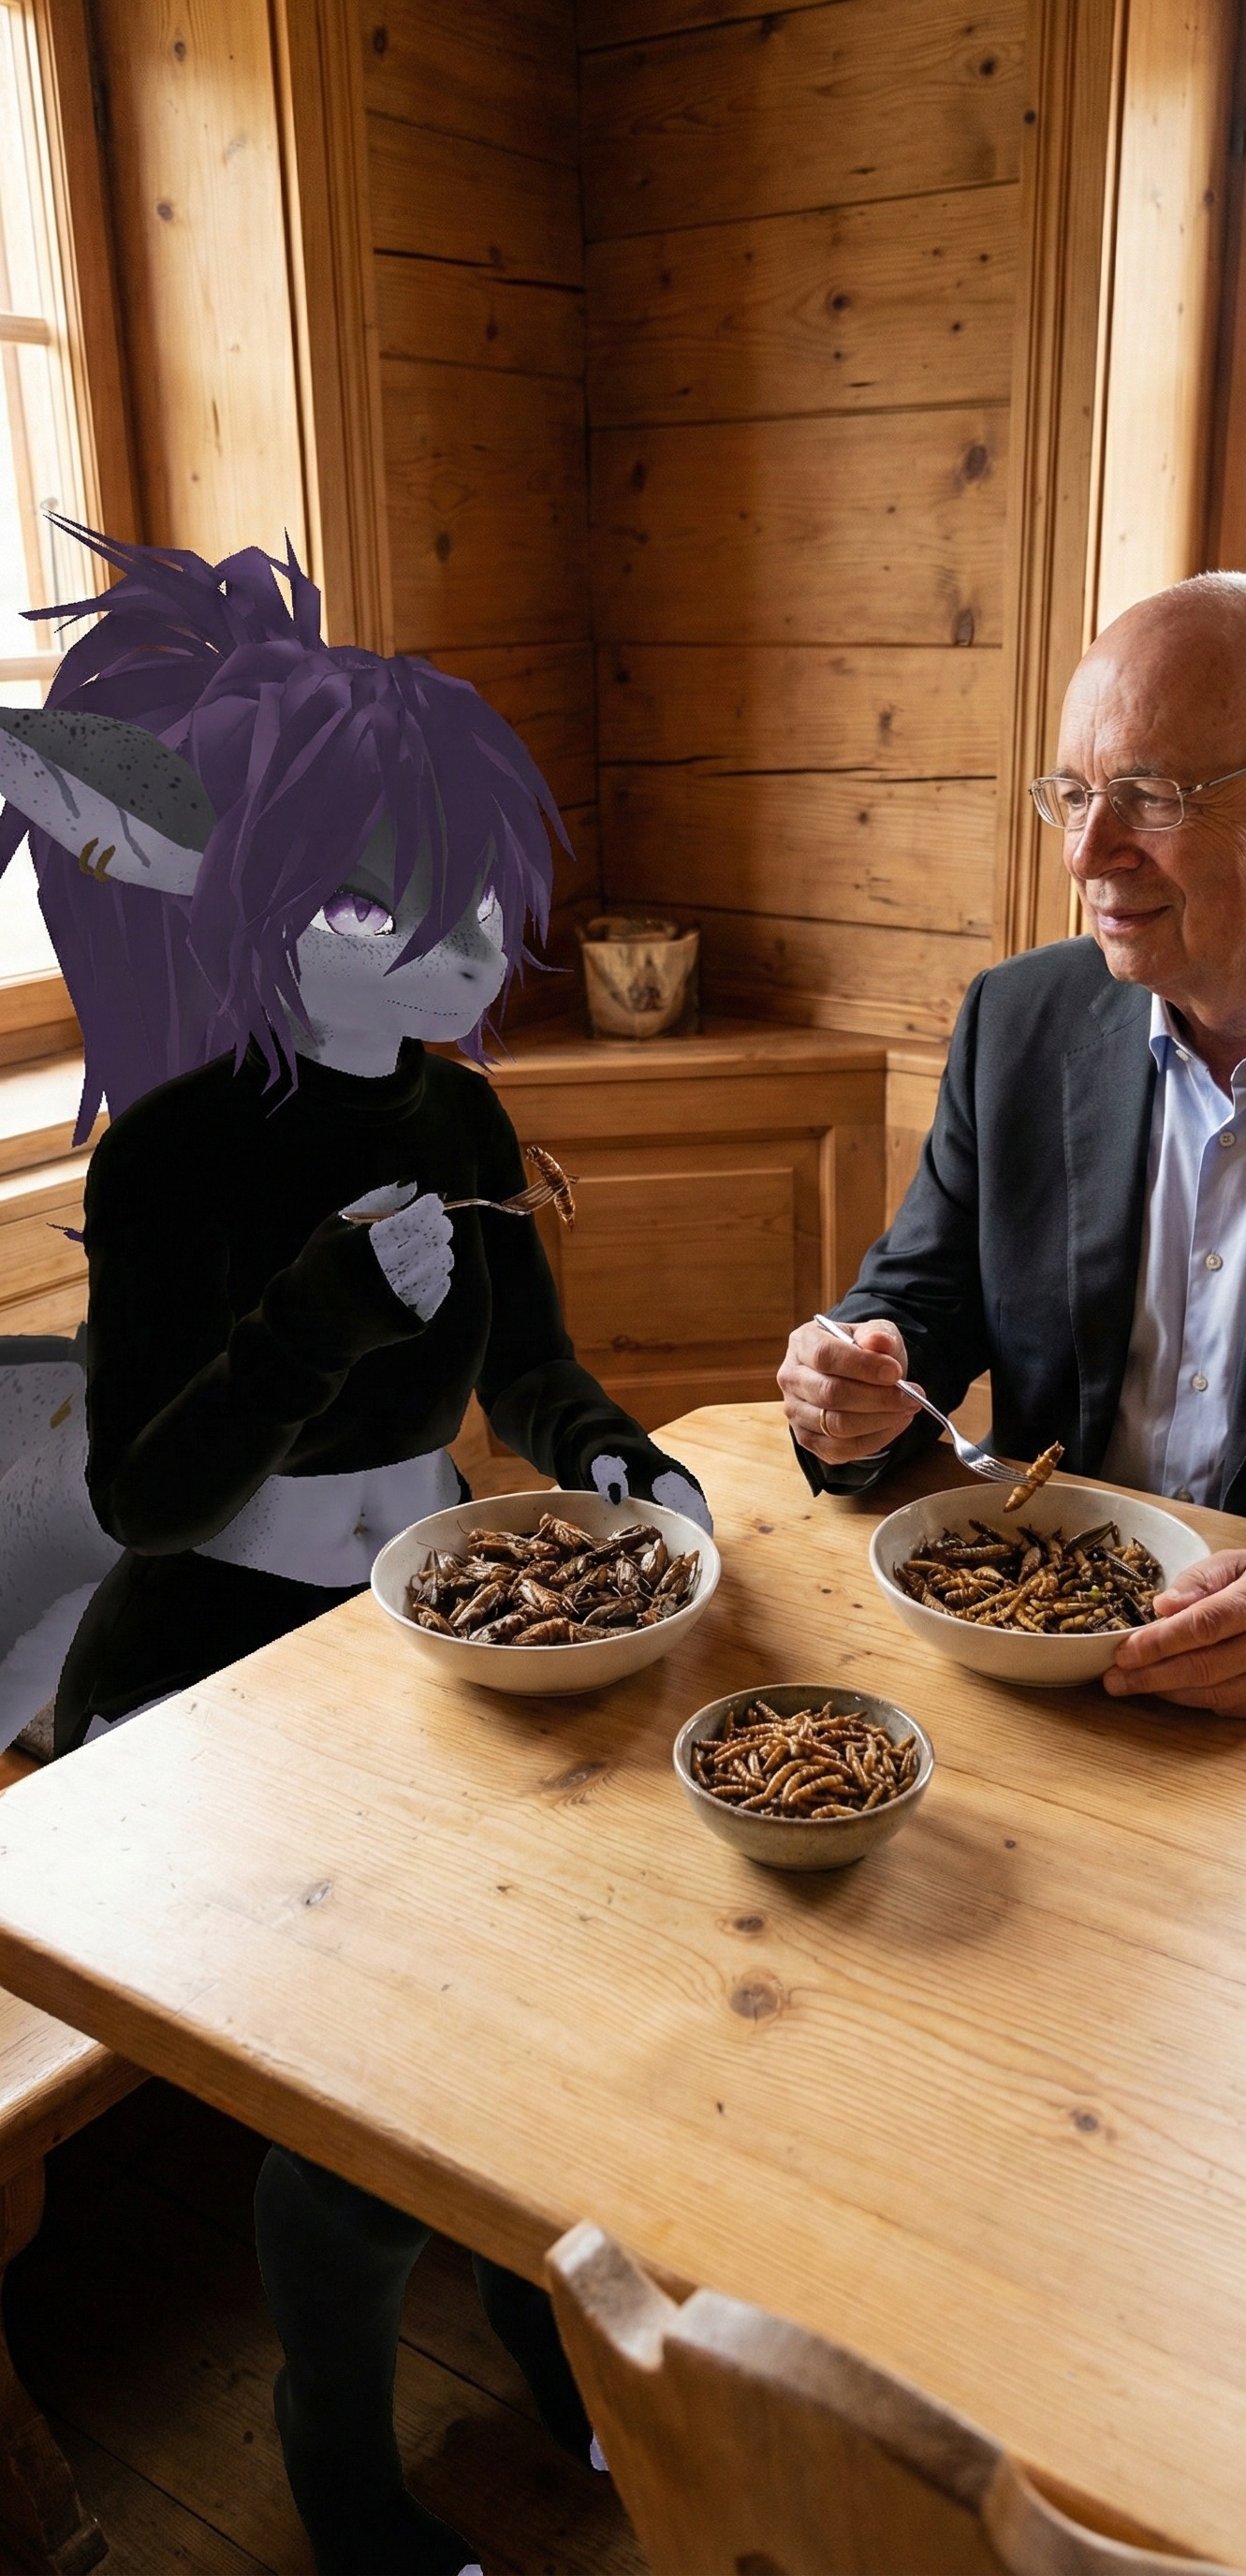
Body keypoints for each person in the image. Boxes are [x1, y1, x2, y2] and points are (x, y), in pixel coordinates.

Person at [0, 522, 714, 2576]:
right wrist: (307, 1316)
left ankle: (543, 2336)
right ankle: (339, 2477)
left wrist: (625, 1463)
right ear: (262, 901)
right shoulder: (179, 1153)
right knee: (370, 2110)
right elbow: (143, 1499)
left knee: (535, 2024)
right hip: (205, 1682)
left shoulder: (462, 1117)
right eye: (393, 903)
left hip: (440, 1641)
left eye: (479, 895)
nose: (467, 945)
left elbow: (535, 1377)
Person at [779, 574, 1246, 1718]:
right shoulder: (1018, 1018)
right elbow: (919, 1302)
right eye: (1076, 793)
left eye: (1151, 796)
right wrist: (857, 1380)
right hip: (1023, 1649)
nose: (1087, 854)